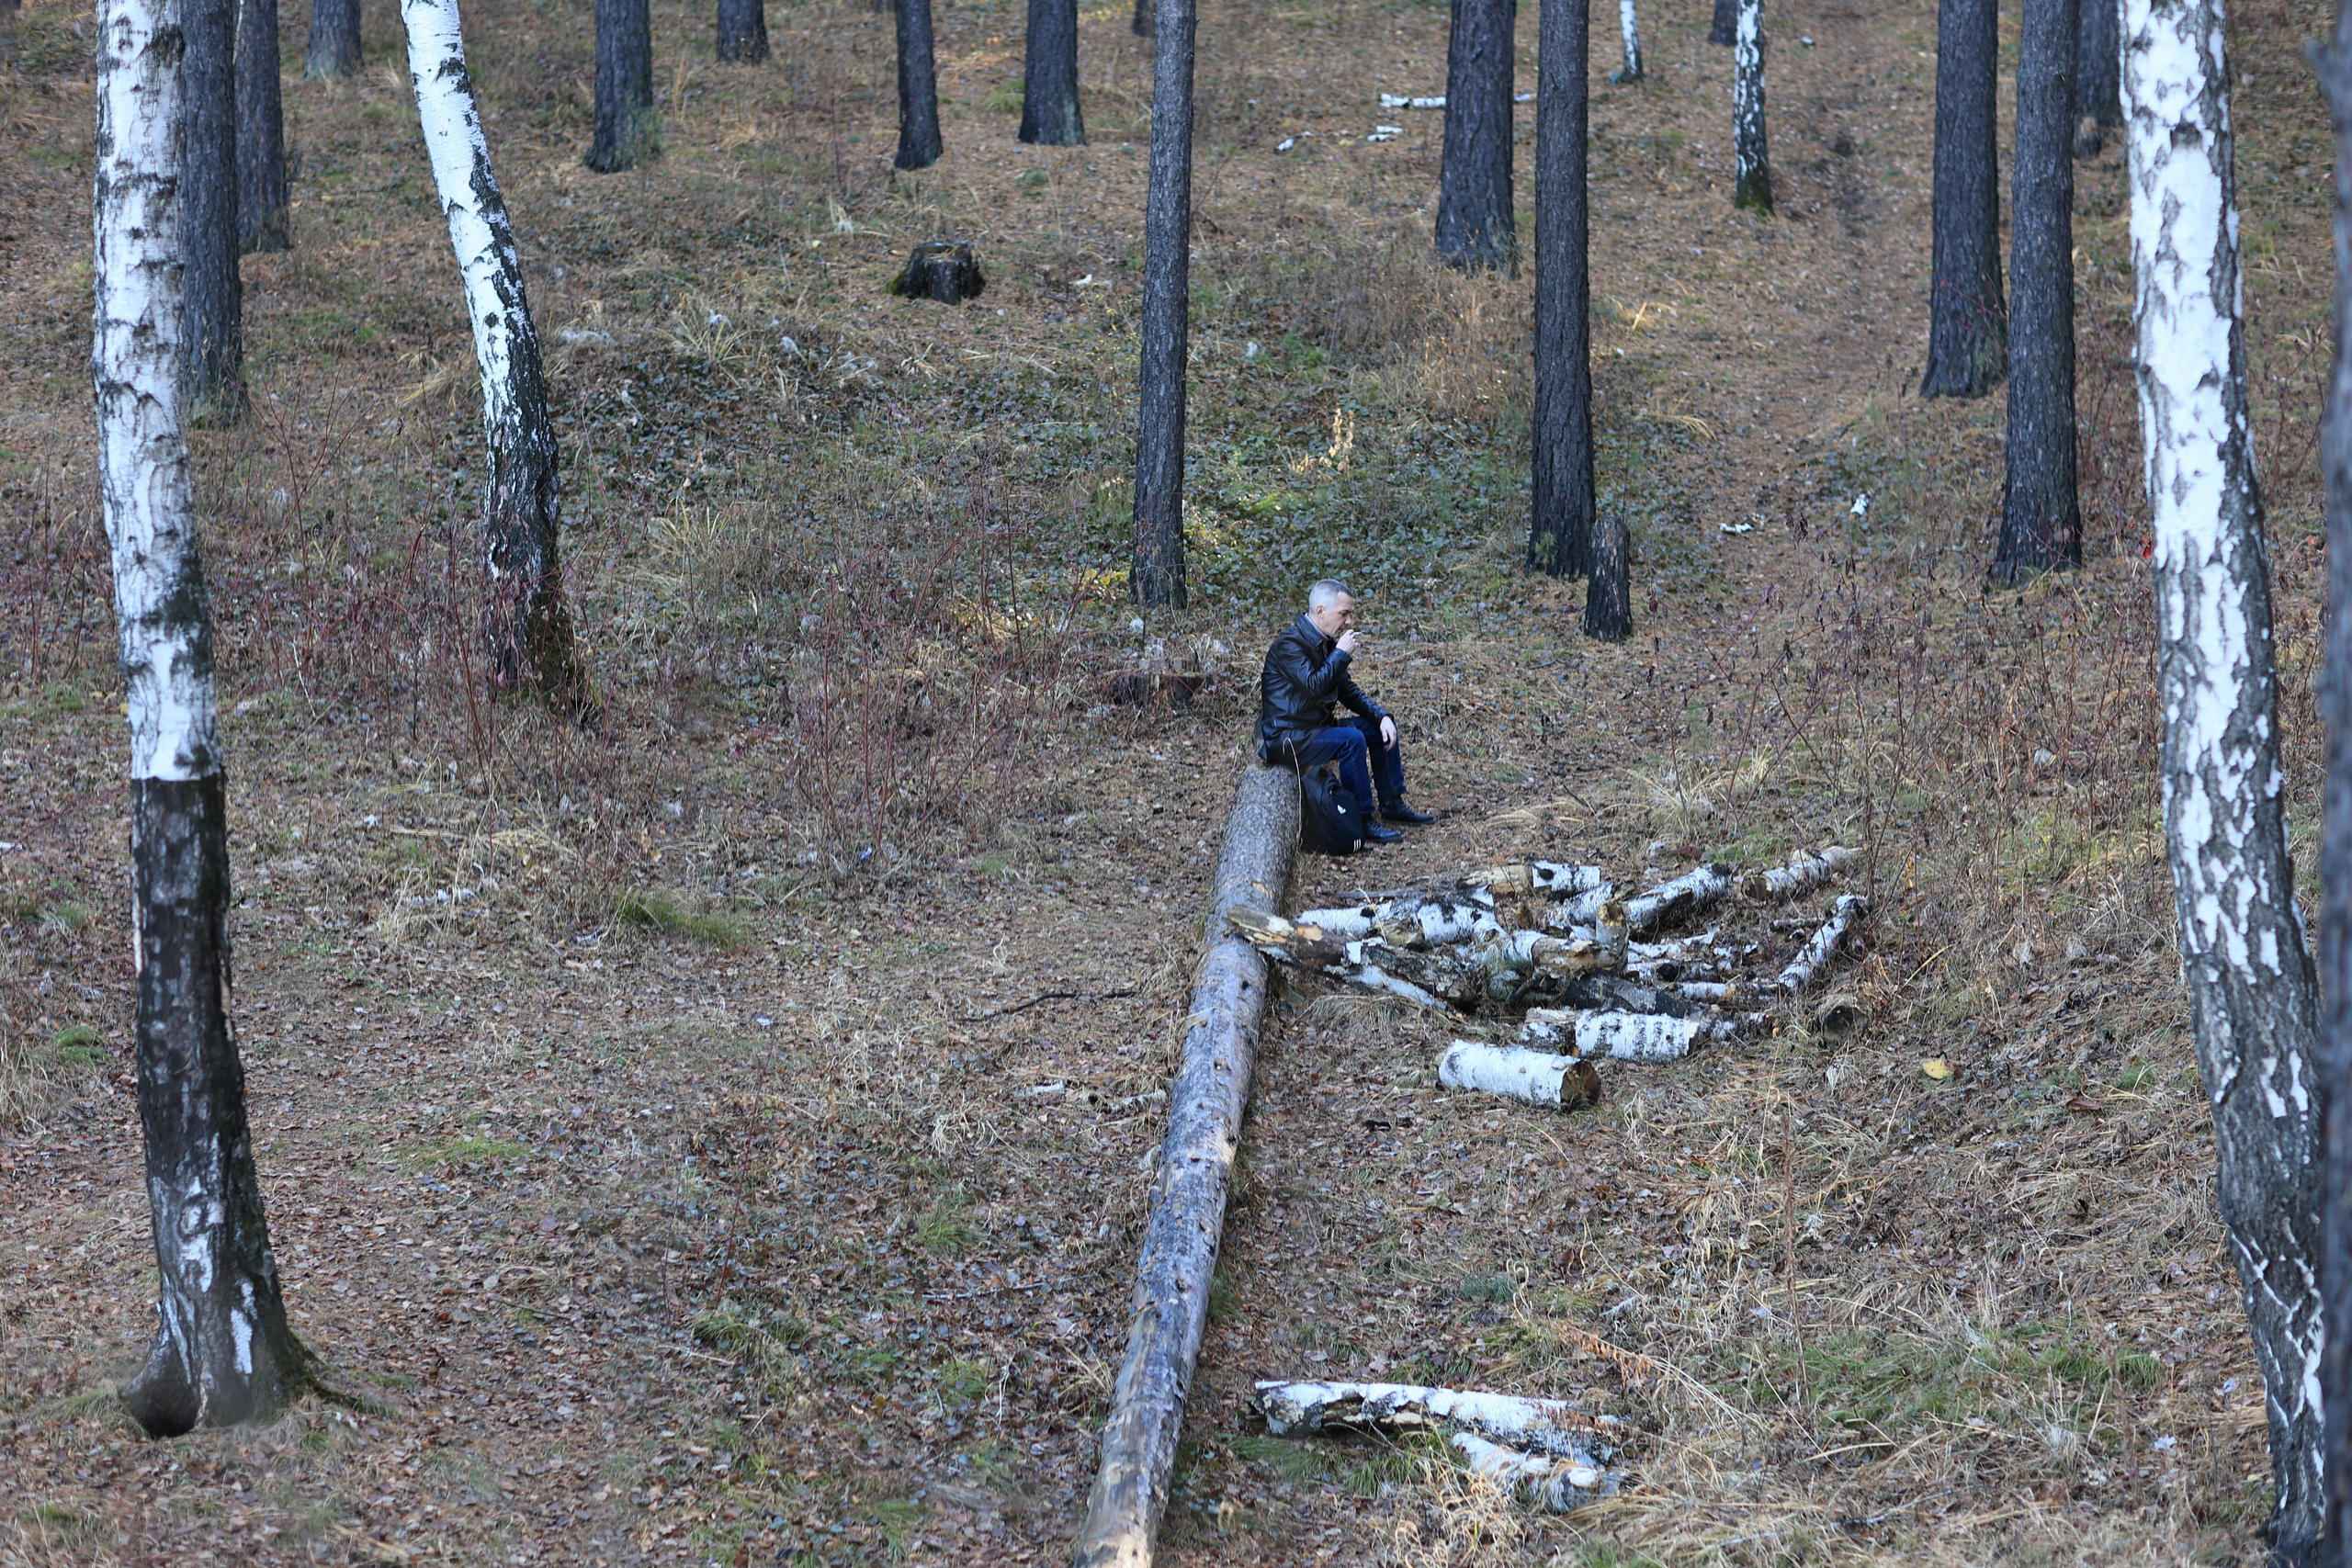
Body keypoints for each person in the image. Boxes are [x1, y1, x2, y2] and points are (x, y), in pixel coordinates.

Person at [1256, 580, 1436, 844]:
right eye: (1344, 614)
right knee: (1351, 740)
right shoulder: (1290, 644)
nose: (1349, 621)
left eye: (1351, 614)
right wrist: (1340, 654)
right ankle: (1361, 819)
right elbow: (1314, 687)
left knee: (1376, 729)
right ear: (1321, 611)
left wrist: (1382, 716)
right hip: (1287, 738)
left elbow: (1348, 692)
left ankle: (1392, 804)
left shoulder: (1325, 643)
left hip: (1314, 729)